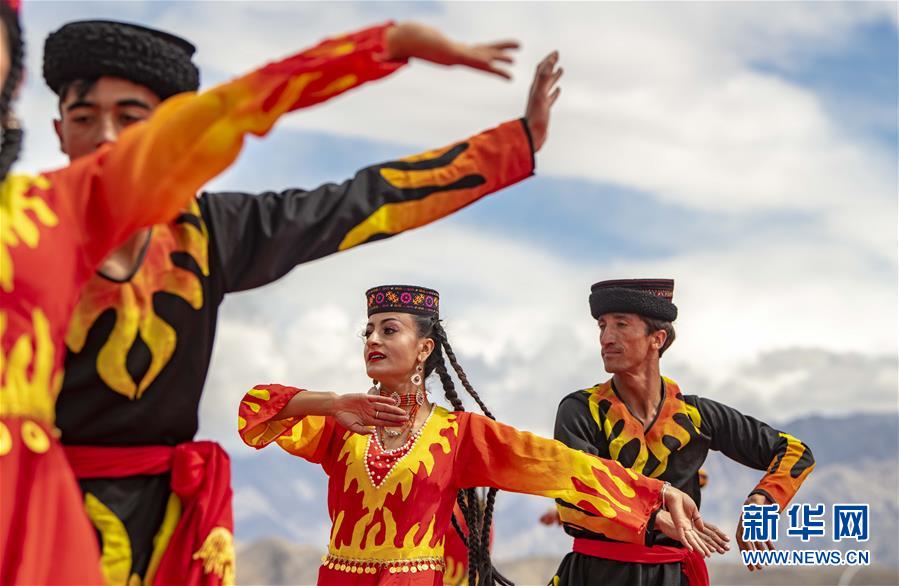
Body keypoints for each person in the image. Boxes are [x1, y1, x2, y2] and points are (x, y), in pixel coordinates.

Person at [43, 18, 559, 585]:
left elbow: (359, 201)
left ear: (169, 131)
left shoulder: (208, 235)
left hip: (166, 532)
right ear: (59, 130)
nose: (107, 138)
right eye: (84, 118)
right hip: (37, 508)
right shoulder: (21, 233)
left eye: (130, 118)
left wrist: (513, 145)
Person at [238, 285, 709, 586]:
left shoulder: (457, 435)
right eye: (368, 332)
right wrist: (331, 402)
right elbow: (255, 410)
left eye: (388, 329)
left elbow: (558, 465)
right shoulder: (341, 425)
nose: (373, 340)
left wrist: (656, 492)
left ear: (424, 348)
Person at [549, 278, 816, 585]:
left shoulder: (696, 416)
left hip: (675, 577)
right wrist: (655, 520)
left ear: (657, 338)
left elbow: (795, 452)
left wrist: (762, 501)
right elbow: (574, 497)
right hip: (596, 576)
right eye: (602, 326)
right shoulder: (581, 410)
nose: (606, 338)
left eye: (621, 325)